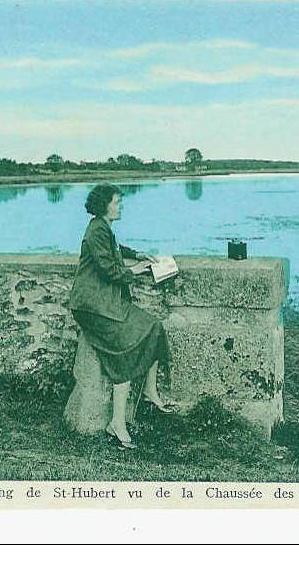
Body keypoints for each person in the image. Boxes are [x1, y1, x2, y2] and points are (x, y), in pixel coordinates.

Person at [65, 183, 173, 450]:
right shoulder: (95, 232)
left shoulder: (102, 228)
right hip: (92, 307)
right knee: (124, 353)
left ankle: (149, 391)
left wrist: (136, 254)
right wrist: (136, 270)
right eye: (117, 202)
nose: (120, 206)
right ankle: (118, 423)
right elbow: (108, 270)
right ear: (104, 205)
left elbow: (114, 248)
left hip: (106, 302)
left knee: (154, 327)